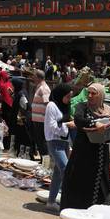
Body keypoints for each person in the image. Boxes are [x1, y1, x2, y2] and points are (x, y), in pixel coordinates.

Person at [61, 83, 110, 210]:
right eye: (88, 93)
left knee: (99, 185)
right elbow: (78, 120)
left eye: (94, 93)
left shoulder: (108, 110)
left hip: (100, 155)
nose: (90, 96)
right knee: (78, 183)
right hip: (83, 154)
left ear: (101, 95)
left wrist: (108, 135)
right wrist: (95, 123)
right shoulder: (83, 107)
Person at [44, 84, 74, 212]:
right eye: (67, 96)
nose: (69, 99)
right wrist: (68, 124)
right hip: (54, 142)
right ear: (61, 94)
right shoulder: (52, 106)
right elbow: (52, 127)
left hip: (64, 143)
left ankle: (51, 202)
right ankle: (68, 202)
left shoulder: (65, 107)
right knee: (66, 171)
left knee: (58, 173)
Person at [31, 70, 50, 159]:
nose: (32, 78)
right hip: (38, 120)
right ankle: (44, 160)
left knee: (42, 142)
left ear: (38, 77)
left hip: (42, 120)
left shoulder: (44, 88)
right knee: (39, 141)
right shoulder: (39, 87)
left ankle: (45, 162)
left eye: (34, 76)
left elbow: (47, 104)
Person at [0, 69, 15, 150]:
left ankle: (5, 144)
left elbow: (1, 96)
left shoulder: (2, 85)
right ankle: (8, 145)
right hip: (11, 107)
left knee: (4, 126)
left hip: (5, 108)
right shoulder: (10, 84)